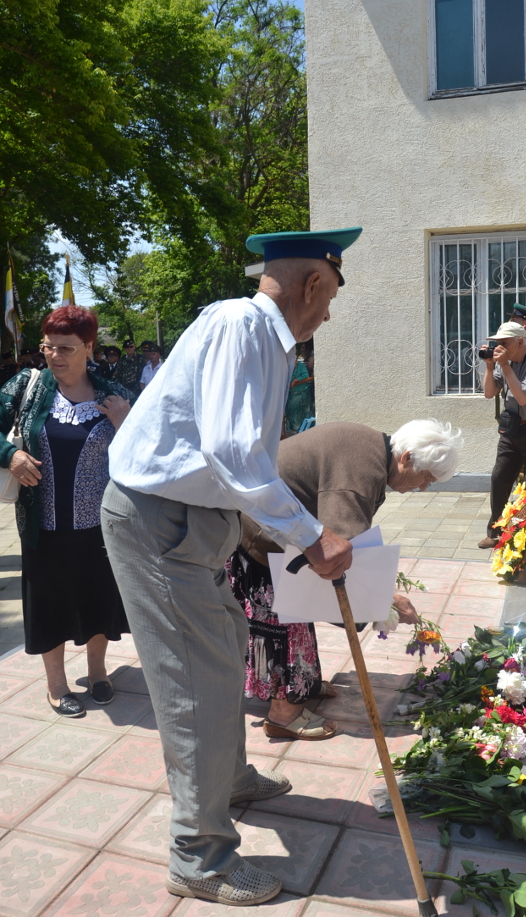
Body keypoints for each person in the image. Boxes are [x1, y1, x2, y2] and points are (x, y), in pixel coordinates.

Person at [101, 227, 361, 907]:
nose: (329, 313)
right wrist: (310, 538)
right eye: (330, 295)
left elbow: (239, 457)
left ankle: (228, 777)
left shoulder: (263, 339)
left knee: (224, 648)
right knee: (195, 680)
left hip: (191, 521)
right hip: (160, 519)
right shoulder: (242, 325)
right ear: (312, 284)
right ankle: (199, 853)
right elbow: (233, 452)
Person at [229, 418, 464, 741]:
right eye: (426, 478)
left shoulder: (371, 452)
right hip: (260, 534)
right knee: (285, 622)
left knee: (300, 611)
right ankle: (283, 714)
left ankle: (304, 684)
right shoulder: (362, 469)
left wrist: (379, 593)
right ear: (406, 458)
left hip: (278, 530)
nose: (423, 487)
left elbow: (347, 543)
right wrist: (387, 598)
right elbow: (339, 549)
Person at [0, 307, 133, 716]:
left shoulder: (114, 393)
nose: (54, 355)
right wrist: (10, 455)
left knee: (99, 598)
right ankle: (56, 685)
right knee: (50, 601)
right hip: (44, 525)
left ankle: (97, 673)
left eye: (65, 347)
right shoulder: (29, 386)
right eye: (48, 346)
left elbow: (147, 455)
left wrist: (126, 423)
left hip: (102, 527)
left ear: (88, 347)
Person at [478, 321, 526, 549]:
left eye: (504, 343)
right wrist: (490, 366)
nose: (499, 348)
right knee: (500, 478)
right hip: (511, 429)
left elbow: (524, 399)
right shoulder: (502, 361)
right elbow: (489, 394)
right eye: (497, 343)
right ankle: (495, 531)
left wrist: (505, 366)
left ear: (520, 341)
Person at [284, 349, 314, 434]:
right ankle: (296, 430)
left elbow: (305, 375)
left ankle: (303, 430)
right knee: (291, 409)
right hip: (291, 394)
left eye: (294, 358)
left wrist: (295, 380)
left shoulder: (301, 365)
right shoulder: (285, 367)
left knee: (300, 407)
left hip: (302, 393)